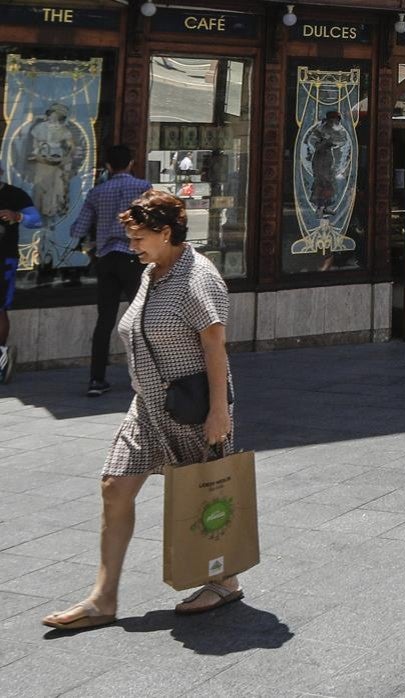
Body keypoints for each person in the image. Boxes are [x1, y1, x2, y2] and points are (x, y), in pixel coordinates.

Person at [42, 190, 239, 631]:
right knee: (114, 486)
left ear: (166, 232)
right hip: (147, 405)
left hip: (191, 406)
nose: (132, 247)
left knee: (208, 492)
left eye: (138, 238)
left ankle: (225, 577)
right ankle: (103, 598)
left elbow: (214, 343)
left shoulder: (197, 277)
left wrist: (218, 412)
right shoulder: (154, 270)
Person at [71, 144, 151, 397]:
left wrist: (96, 237)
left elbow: (77, 229)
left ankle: (96, 379)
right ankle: (146, 376)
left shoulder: (97, 192)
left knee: (104, 320)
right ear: (131, 163)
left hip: (106, 259)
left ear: (107, 166)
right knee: (142, 318)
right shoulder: (142, 188)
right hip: (133, 257)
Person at [0, 163, 43, 384]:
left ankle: (0, 354)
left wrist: (16, 216)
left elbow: (36, 220)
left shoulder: (14, 195)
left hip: (3, 259)